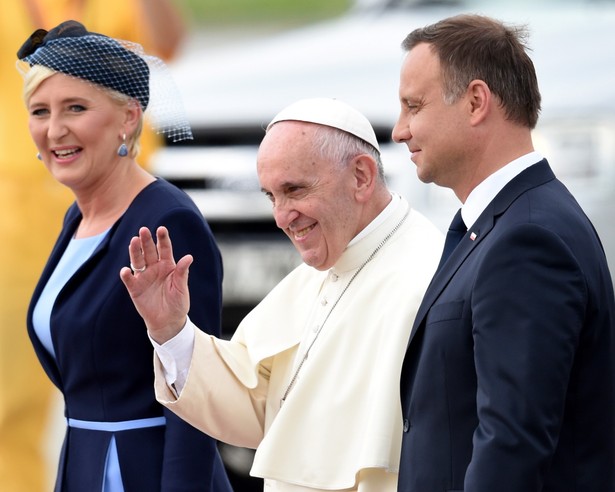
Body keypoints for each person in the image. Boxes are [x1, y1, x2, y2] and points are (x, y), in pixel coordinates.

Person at [120, 97, 445, 491]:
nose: (280, 216)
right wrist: (171, 329)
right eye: (271, 197)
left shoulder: (427, 278)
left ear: (361, 176)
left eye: (294, 190)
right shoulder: (314, 276)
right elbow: (256, 409)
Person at [392, 14, 615, 492]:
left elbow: (511, 446)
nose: (400, 130)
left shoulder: (528, 239)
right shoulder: (502, 225)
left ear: (476, 102)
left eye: (414, 106)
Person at [18, 20, 232, 492]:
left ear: (128, 117)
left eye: (75, 108)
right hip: (82, 470)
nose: (54, 130)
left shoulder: (166, 221)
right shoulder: (77, 219)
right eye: (40, 111)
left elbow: (195, 393)